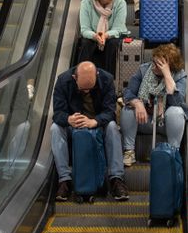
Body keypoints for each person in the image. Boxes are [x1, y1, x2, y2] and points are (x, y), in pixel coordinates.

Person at [50, 62, 129, 202]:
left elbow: (110, 111)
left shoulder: (107, 79)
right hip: (74, 125)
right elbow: (58, 113)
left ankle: (116, 178)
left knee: (112, 127)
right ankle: (64, 180)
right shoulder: (63, 81)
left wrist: (95, 121)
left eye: (90, 88)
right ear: (75, 77)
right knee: (55, 128)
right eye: (83, 88)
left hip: (98, 125)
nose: (86, 91)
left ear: (96, 75)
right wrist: (68, 119)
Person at [120, 44, 188, 166]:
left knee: (176, 111)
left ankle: (173, 154)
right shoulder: (143, 70)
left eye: (158, 64)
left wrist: (167, 76)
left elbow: (177, 102)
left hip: (166, 123)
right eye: (154, 61)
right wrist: (137, 103)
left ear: (169, 66)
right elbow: (128, 92)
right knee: (128, 109)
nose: (153, 65)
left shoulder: (179, 76)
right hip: (144, 119)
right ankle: (129, 151)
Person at [78, 0, 130, 75]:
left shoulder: (120, 2)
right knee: (86, 43)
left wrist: (105, 35)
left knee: (113, 44)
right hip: (94, 35)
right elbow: (85, 29)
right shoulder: (86, 3)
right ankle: (83, 76)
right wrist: (95, 36)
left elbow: (118, 29)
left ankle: (109, 78)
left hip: (113, 36)